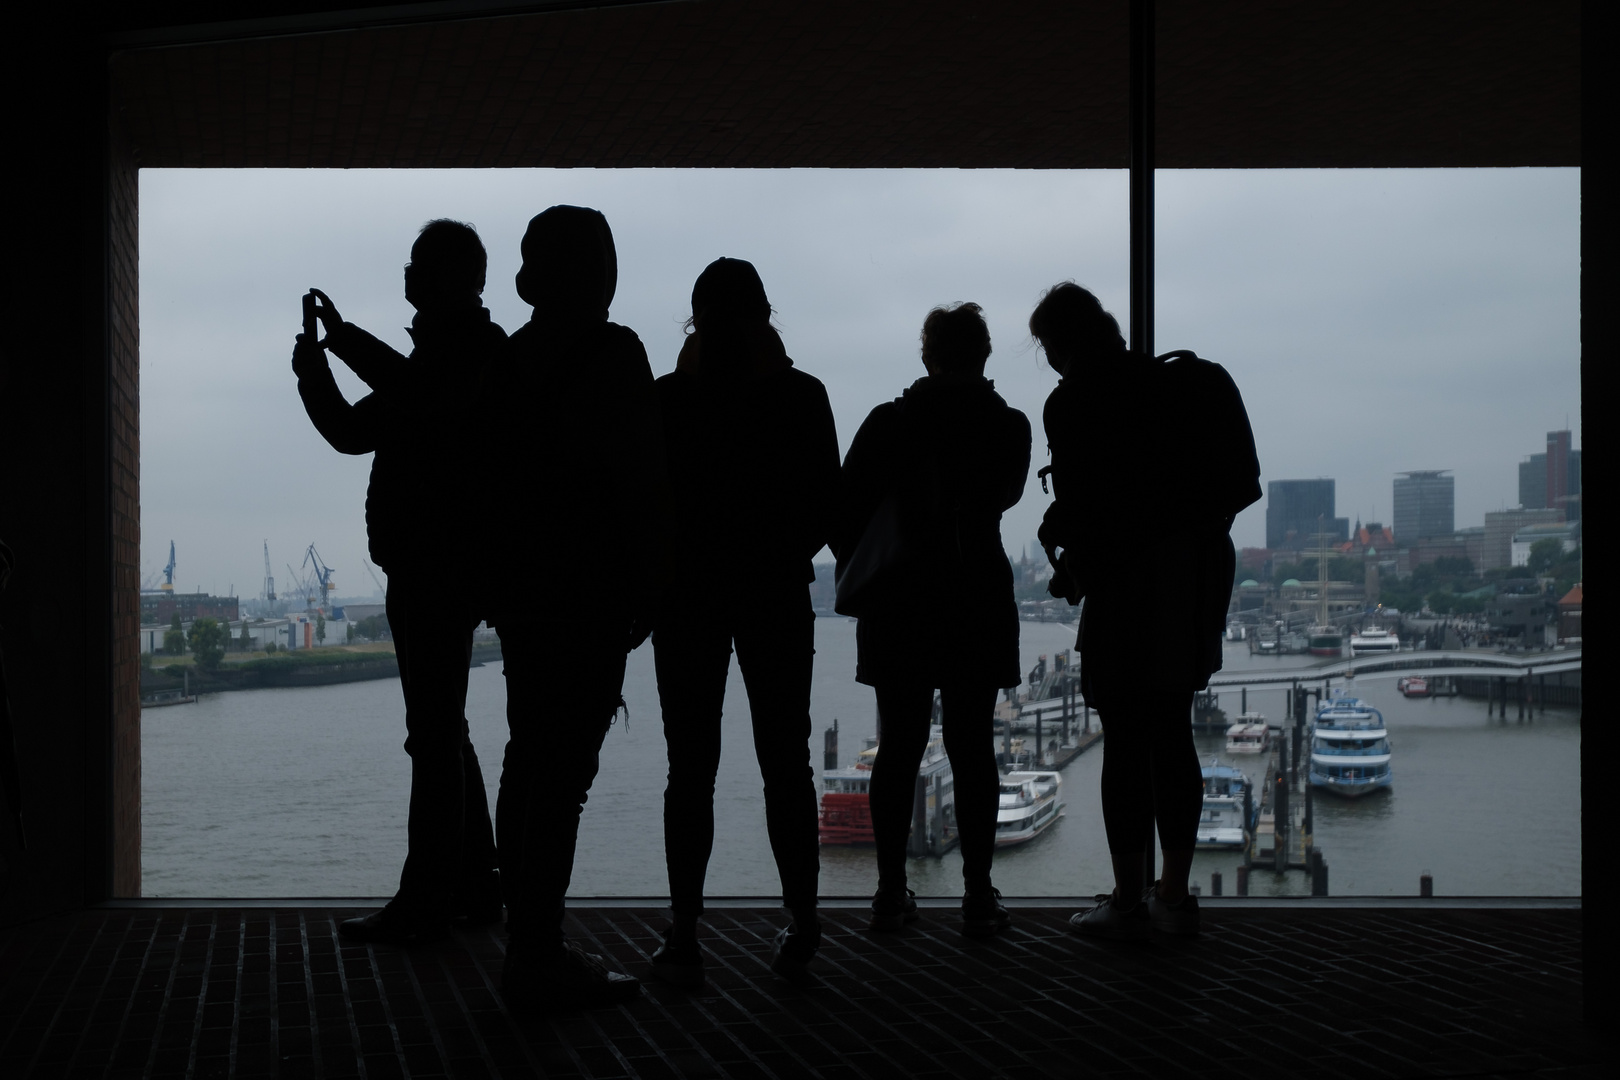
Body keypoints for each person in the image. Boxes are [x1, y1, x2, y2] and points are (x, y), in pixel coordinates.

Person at [293, 219, 505, 944]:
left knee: (434, 735)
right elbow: (358, 429)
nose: (407, 277)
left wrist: (340, 343)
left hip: (438, 567)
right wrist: (317, 367)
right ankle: (475, 884)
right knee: (444, 732)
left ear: (451, 279)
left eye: (418, 266)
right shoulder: (451, 358)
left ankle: (431, 898)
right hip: (427, 567)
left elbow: (407, 399)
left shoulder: (471, 357)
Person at [480, 205, 668, 1007]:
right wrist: (647, 584)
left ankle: (525, 936)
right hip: (591, 590)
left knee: (528, 757)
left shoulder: (512, 358)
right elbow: (639, 482)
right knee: (566, 772)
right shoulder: (616, 352)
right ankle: (539, 951)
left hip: (523, 591)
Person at [1030, 282, 1260, 939]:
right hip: (1193, 578)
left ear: (1064, 343)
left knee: (1125, 743)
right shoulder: (1188, 385)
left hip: (1123, 588)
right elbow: (1239, 486)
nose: (1047, 360)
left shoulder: (1073, 402)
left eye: (1048, 346)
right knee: (1174, 732)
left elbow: (1084, 508)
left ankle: (1127, 899)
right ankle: (1176, 894)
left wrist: (1069, 556)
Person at [649, 257, 838, 986]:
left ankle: (686, 927)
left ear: (695, 322)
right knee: (785, 763)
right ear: (766, 317)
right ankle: (804, 917)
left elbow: (649, 499)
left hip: (687, 600)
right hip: (775, 594)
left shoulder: (668, 399)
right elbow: (827, 502)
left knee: (689, 768)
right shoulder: (801, 395)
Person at [835, 302, 1030, 937]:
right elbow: (1003, 496)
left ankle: (891, 892)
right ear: (984, 356)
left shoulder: (888, 425)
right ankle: (977, 895)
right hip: (976, 594)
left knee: (898, 748)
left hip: (901, 601)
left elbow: (846, 514)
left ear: (928, 356)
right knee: (973, 747)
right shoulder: (1009, 429)